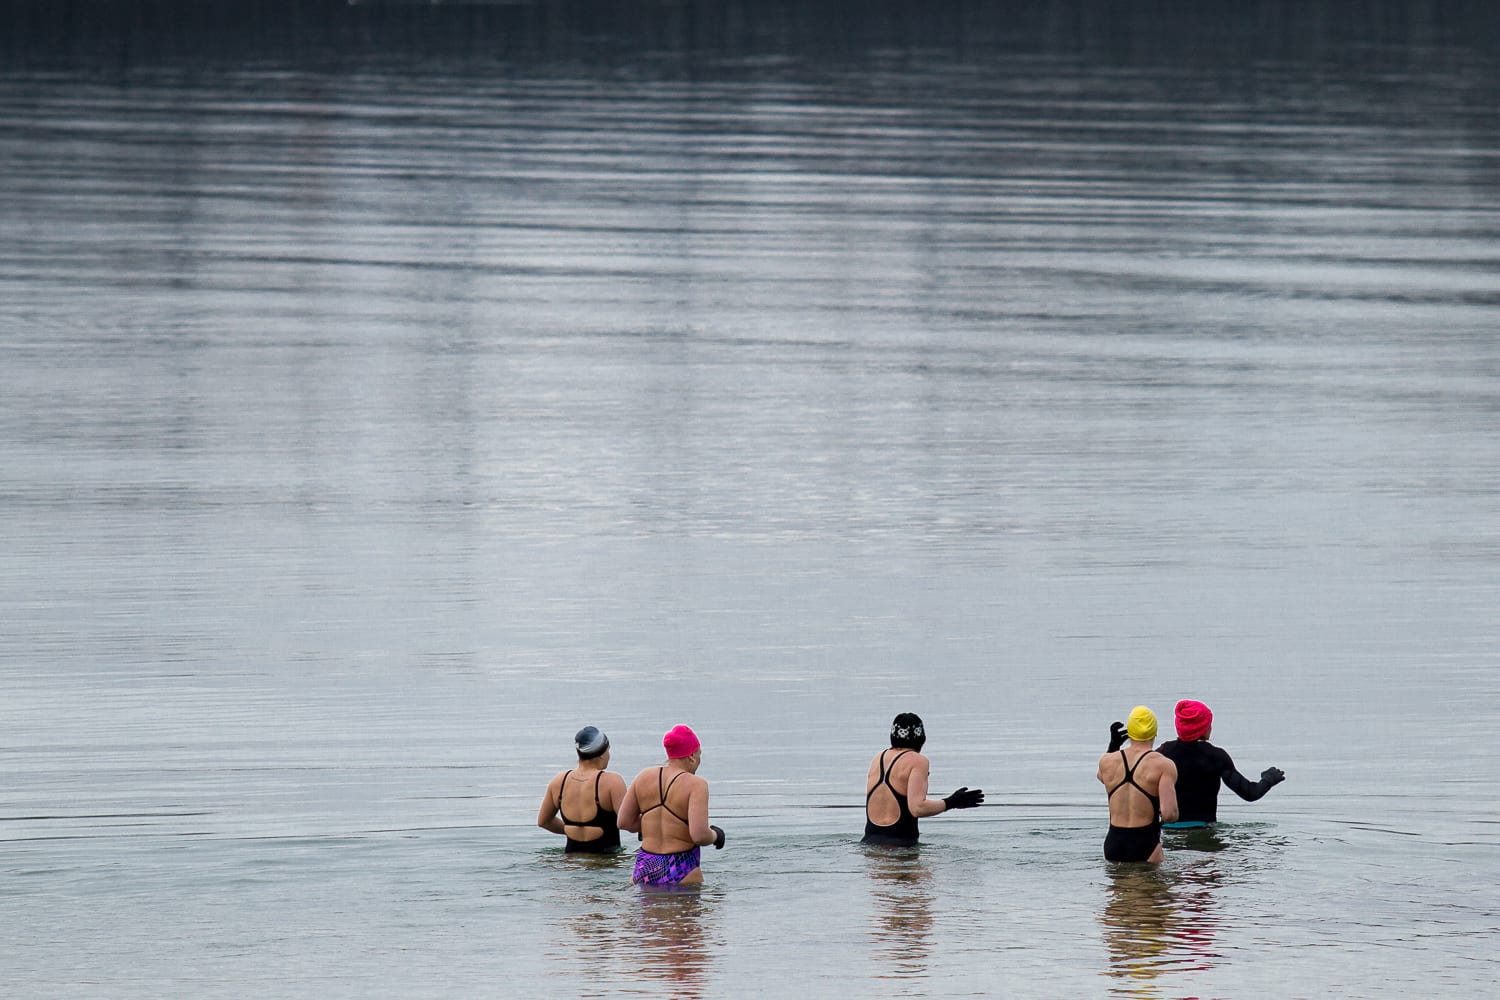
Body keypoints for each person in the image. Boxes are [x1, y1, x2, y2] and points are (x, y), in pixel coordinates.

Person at [618, 724, 725, 886]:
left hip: (645, 865)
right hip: (682, 867)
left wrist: (651, 826)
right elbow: (699, 835)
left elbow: (624, 822)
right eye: (699, 754)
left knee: (647, 910)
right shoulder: (696, 785)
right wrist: (717, 835)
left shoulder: (643, 777)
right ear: (691, 756)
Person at [861, 712, 984, 847]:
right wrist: (952, 802)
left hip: (869, 847)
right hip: (901, 848)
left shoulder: (878, 758)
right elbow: (917, 808)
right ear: (921, 739)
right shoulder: (918, 761)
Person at [1156, 699, 1286, 827]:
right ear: (1204, 728)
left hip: (1168, 833)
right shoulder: (1216, 756)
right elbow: (1250, 793)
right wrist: (1268, 779)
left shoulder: (1162, 754)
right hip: (1204, 831)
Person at [1097, 706, 1179, 863]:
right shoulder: (1163, 765)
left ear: (1130, 732)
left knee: (1119, 886)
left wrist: (1113, 746)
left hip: (1114, 843)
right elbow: (1169, 815)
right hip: (1145, 842)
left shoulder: (1106, 761)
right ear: (1155, 732)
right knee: (1151, 885)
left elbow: (1102, 777)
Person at [536, 725, 628, 854]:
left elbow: (544, 821)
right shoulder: (612, 782)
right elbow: (627, 821)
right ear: (602, 753)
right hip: (606, 862)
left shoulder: (559, 780)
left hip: (571, 862)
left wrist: (575, 829)